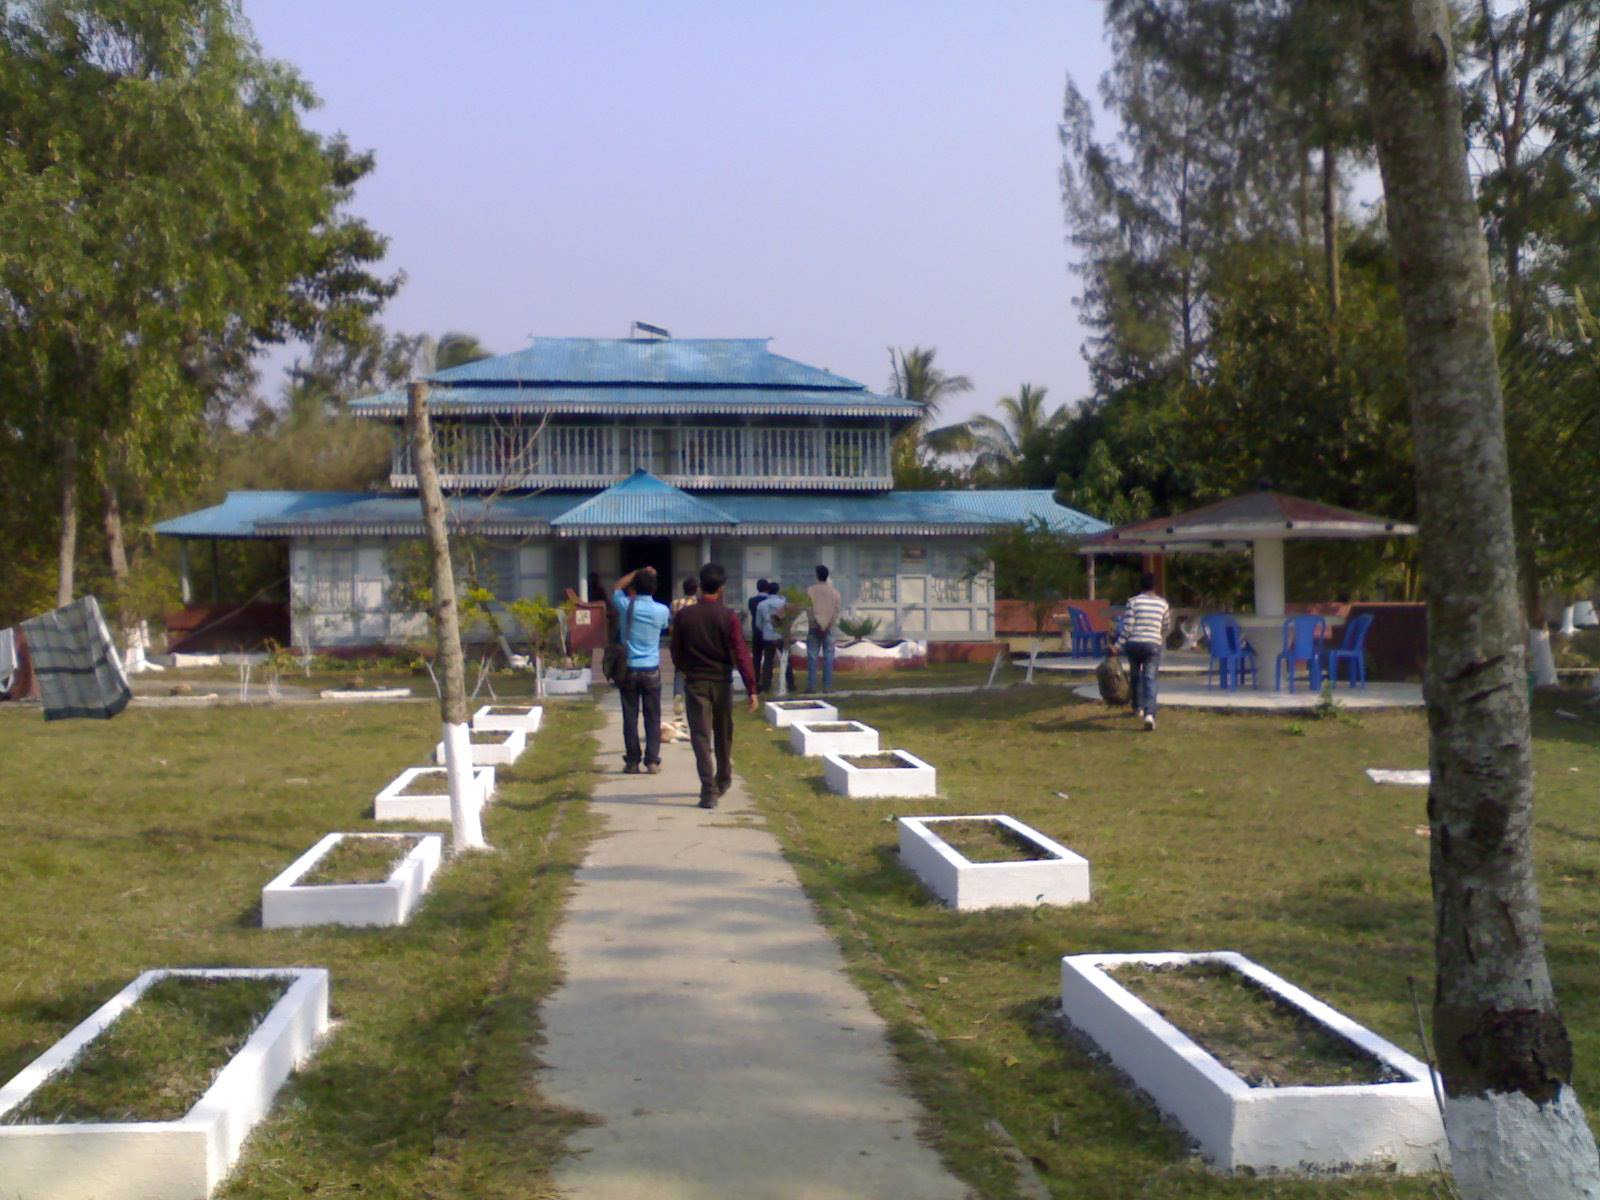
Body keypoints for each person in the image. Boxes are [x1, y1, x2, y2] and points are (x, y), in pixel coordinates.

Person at [669, 563, 758, 808]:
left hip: (696, 682)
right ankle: (723, 778)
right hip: (722, 682)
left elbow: (676, 651)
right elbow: (741, 652)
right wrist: (751, 687)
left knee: (700, 735)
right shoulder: (728, 617)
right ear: (722, 588)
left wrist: (686, 670)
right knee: (723, 732)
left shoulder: (685, 616)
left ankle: (708, 790)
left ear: (700, 585)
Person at [611, 568, 672, 773]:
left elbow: (617, 586)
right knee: (653, 717)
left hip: (628, 668)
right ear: (654, 589)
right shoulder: (662, 610)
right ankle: (652, 760)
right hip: (651, 668)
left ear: (634, 588)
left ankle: (632, 761)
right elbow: (663, 627)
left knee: (630, 717)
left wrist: (638, 571)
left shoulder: (626, 605)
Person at [1114, 571, 1171, 731]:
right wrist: (1158, 637)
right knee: (1150, 678)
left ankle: (1137, 707)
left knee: (1135, 676)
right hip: (1152, 644)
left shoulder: (1133, 602)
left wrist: (1117, 645)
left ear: (1141, 585)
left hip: (1134, 644)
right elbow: (1166, 625)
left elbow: (1127, 627)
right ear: (1154, 586)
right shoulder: (1163, 604)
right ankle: (1149, 714)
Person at [805, 564, 842, 693]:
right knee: (829, 657)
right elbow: (836, 611)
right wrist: (827, 625)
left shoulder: (810, 590)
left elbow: (809, 609)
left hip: (814, 627)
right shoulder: (835, 592)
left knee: (812, 657)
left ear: (817, 575)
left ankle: (812, 686)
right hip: (829, 628)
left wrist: (815, 623)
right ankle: (827, 686)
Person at [670, 577, 698, 712]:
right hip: (695, 639)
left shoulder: (675, 603)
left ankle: (678, 694)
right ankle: (693, 697)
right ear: (696, 589)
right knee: (695, 669)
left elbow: (671, 624)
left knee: (679, 669)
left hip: (679, 639)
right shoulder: (698, 604)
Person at [755, 580, 786, 693]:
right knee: (785, 660)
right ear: (778, 590)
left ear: (768, 591)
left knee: (768, 661)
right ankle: (789, 683)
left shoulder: (761, 604)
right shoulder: (783, 603)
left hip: (767, 636)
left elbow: (758, 623)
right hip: (781, 634)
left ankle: (766, 685)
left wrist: (765, 629)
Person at [747, 577, 769, 674]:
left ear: (757, 588)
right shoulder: (769, 600)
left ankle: (756, 678)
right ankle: (766, 678)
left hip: (756, 631)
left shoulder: (752, 601)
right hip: (768, 632)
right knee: (768, 657)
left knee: (756, 657)